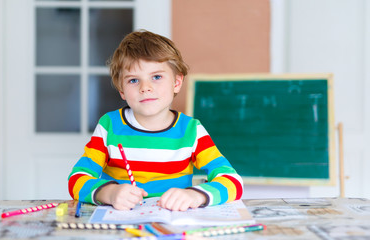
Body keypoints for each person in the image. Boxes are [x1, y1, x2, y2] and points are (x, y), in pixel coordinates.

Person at [68, 30, 243, 211]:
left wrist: (196, 194)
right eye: (134, 80)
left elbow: (233, 180)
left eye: (157, 77)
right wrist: (110, 193)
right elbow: (77, 178)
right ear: (122, 90)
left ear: (176, 82)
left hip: (173, 227)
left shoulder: (191, 130)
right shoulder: (109, 126)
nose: (145, 88)